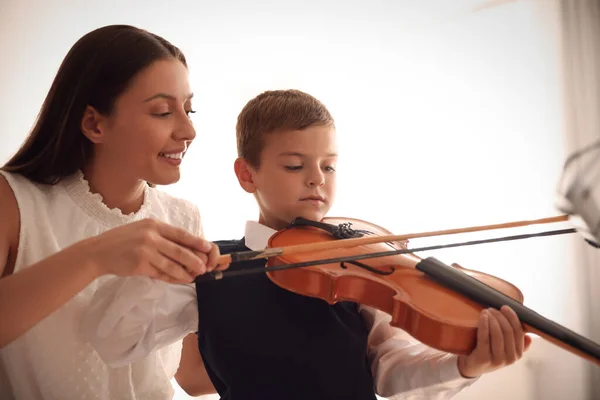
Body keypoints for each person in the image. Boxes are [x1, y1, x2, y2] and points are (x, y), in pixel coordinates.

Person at [82, 89, 532, 400]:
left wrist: (465, 366)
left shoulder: (361, 264)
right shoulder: (212, 265)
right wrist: (159, 268)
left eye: (329, 166)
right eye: (296, 165)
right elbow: (114, 342)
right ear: (247, 174)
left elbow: (392, 368)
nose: (317, 178)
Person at [0, 25, 224, 400]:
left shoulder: (183, 219)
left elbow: (189, 375)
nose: (189, 130)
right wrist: (96, 256)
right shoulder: (14, 201)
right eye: (163, 111)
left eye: (189, 108)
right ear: (94, 123)